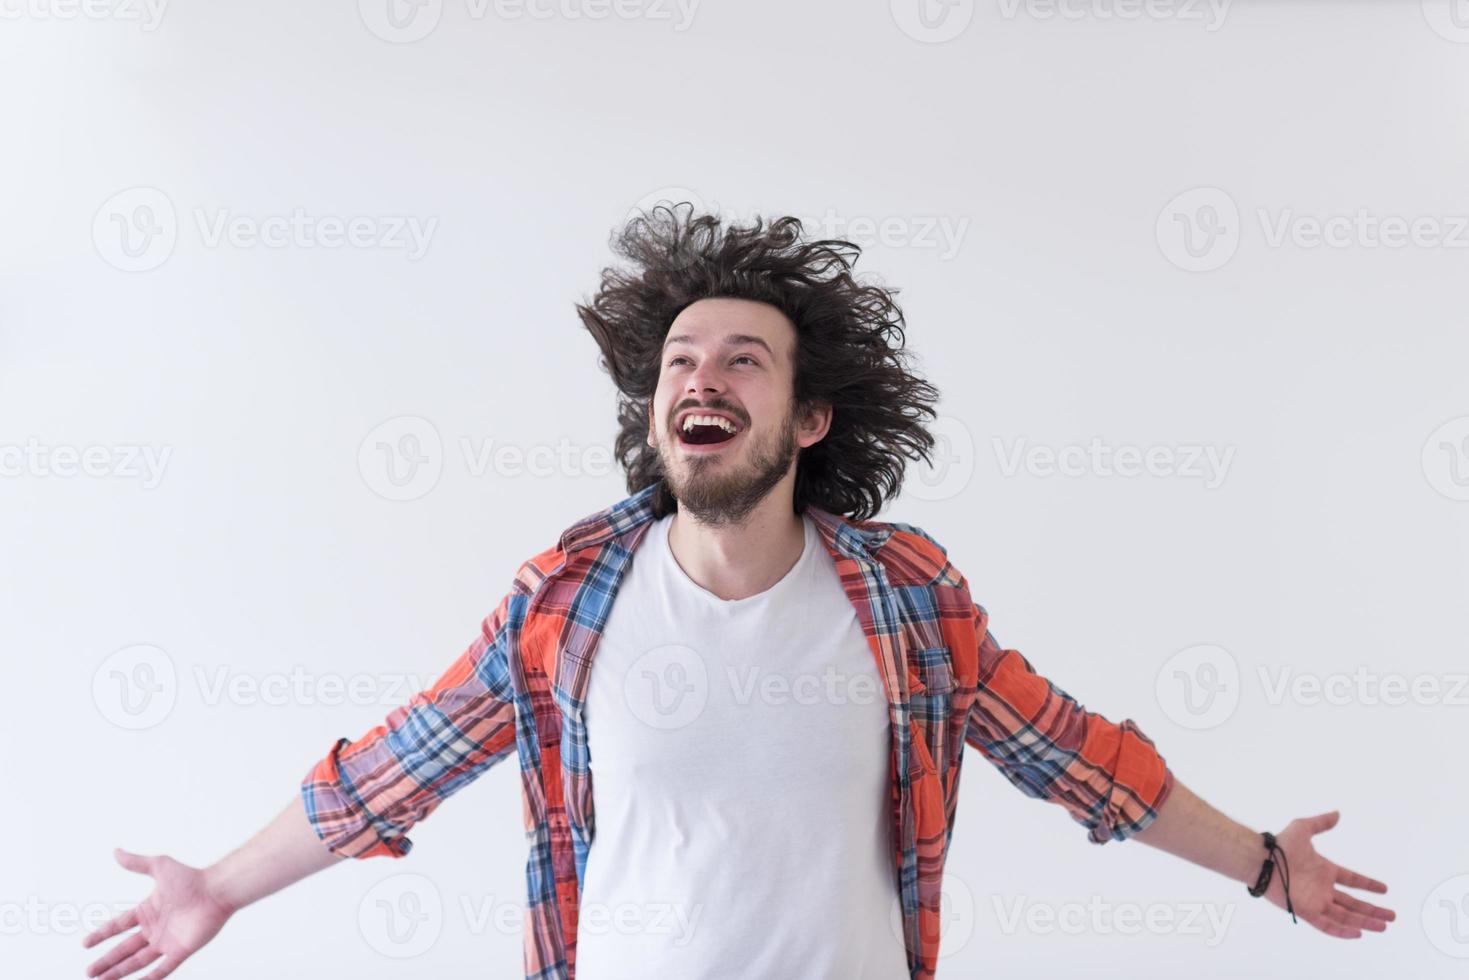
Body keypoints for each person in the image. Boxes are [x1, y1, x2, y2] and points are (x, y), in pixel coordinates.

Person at [83, 204, 1395, 980]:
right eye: (679, 362)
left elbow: (1076, 760)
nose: (701, 378)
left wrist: (1262, 865)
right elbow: (398, 766)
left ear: (813, 415)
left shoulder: (907, 601)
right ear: (653, 411)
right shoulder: (567, 600)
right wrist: (221, 888)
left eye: (744, 360)